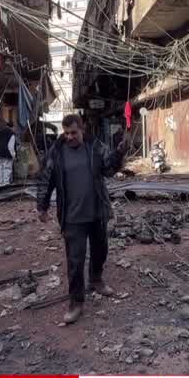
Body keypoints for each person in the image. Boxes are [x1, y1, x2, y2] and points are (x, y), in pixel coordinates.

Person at [36, 114, 126, 325]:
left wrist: (119, 153)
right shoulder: (56, 152)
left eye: (73, 133)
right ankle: (76, 303)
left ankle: (96, 279)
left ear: (82, 129)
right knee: (75, 262)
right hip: (72, 217)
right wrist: (42, 205)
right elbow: (45, 179)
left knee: (100, 250)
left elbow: (109, 169)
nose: (69, 137)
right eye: (66, 133)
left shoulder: (95, 147)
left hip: (96, 212)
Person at [0, 120, 16, 186]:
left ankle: (0, 183)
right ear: (12, 127)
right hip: (6, 154)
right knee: (7, 168)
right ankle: (6, 184)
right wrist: (13, 156)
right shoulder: (11, 134)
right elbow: (10, 147)